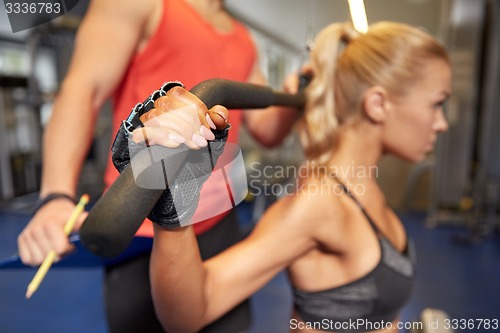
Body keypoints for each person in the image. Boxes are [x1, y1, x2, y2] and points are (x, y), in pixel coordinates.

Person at [137, 21, 451, 332]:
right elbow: (193, 310)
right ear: (378, 104)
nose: (441, 123)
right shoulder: (321, 204)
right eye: (437, 104)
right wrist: (172, 193)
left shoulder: (363, 180)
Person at [16, 0, 299, 332]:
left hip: (220, 222)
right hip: (146, 223)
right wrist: (55, 197)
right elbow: (83, 89)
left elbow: (267, 130)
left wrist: (295, 98)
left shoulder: (242, 37)